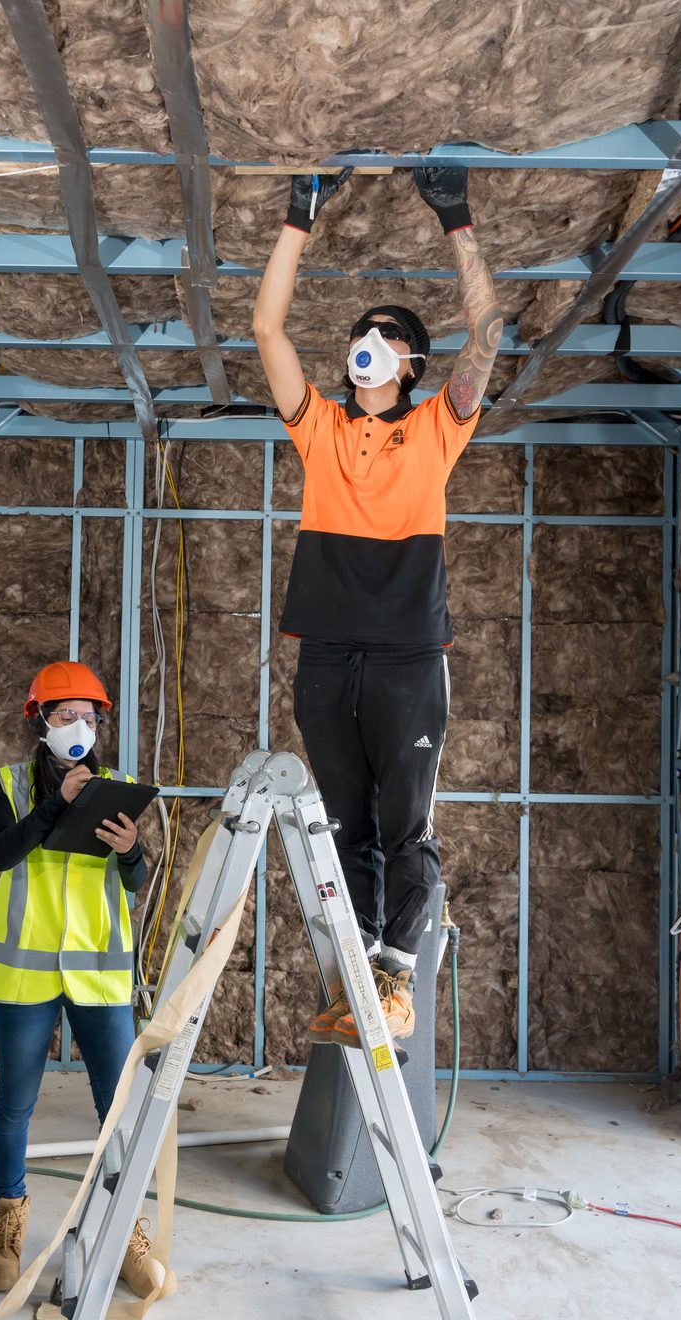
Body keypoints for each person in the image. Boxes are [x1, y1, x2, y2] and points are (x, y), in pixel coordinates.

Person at [252, 164, 502, 1048]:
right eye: (363, 330)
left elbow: (490, 332)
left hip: (403, 656)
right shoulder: (318, 426)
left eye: (387, 334)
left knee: (406, 826)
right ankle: (355, 977)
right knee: (345, 823)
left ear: (411, 362)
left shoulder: (437, 423)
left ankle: (396, 980)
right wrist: (299, 215)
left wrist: (455, 219)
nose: (369, 338)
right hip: (325, 653)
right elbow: (265, 327)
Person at [0, 659, 159, 1299]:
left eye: (88, 715)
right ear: (40, 723)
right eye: (64, 715)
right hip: (24, 972)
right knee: (15, 1103)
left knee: (118, 1110)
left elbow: (136, 883)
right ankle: (7, 1222)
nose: (79, 725)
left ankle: (127, 1229)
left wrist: (131, 849)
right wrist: (59, 804)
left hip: (99, 973)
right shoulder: (8, 784)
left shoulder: (120, 787)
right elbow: (1, 854)